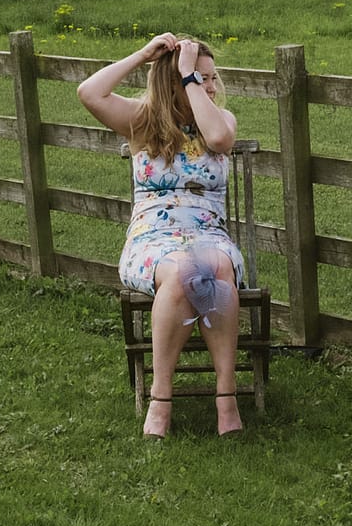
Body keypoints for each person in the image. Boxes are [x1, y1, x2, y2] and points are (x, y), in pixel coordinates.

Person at [77, 33, 246, 437]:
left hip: (210, 234)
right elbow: (89, 92)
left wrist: (189, 77)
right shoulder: (142, 120)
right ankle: (162, 396)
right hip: (152, 238)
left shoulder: (221, 120)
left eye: (211, 78)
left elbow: (219, 140)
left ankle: (226, 396)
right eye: (200, 77)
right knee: (185, 271)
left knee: (216, 266)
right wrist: (143, 55)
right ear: (170, 82)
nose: (210, 86)